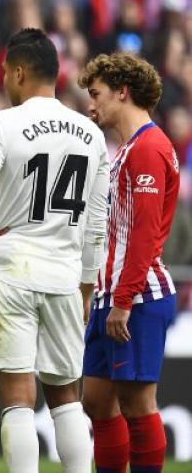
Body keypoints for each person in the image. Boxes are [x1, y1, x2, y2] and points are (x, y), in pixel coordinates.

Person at [0, 28, 108, 473]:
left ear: (19, 72)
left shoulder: (2, 124)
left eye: (5, 72)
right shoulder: (90, 133)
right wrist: (86, 283)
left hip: (10, 273)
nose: (3, 81)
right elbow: (96, 224)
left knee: (18, 400)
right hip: (63, 275)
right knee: (66, 398)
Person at [78, 52, 178, 473]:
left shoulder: (149, 148)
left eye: (97, 94)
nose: (91, 104)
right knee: (97, 402)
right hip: (112, 294)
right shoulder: (127, 149)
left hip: (135, 295)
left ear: (123, 92)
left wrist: (123, 299)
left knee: (138, 405)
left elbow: (144, 234)